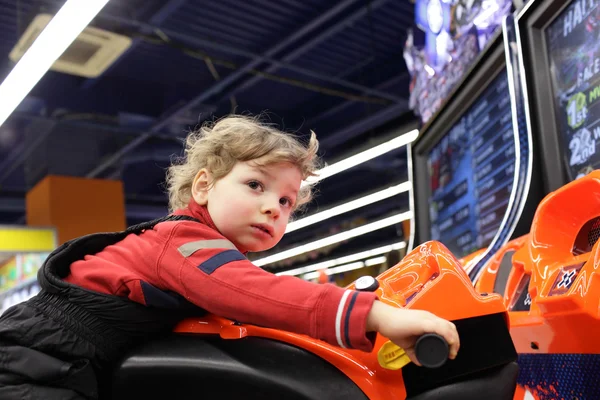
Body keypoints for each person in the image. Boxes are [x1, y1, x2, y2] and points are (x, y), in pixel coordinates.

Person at [0, 115, 459, 399]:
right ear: (203, 186)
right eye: (255, 185)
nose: (271, 208)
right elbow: (253, 293)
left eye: (285, 202)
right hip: (36, 361)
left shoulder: (203, 250)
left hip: (58, 357)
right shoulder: (185, 241)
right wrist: (377, 316)